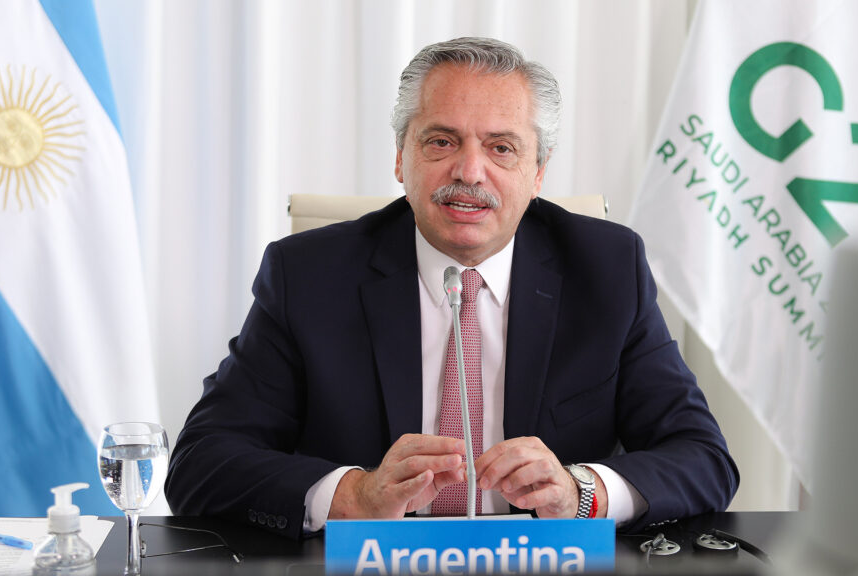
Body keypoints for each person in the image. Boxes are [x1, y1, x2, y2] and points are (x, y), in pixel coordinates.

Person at [165, 37, 738, 539]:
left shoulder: (608, 269)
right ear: (401, 158)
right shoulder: (309, 275)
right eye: (441, 141)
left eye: (501, 147)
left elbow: (703, 457)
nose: (469, 171)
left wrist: (579, 494)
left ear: (538, 172)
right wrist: (355, 497)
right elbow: (201, 463)